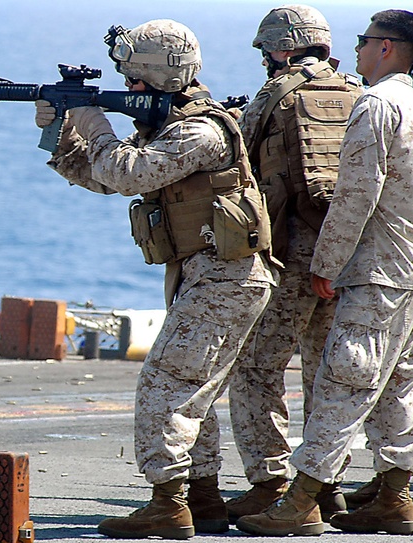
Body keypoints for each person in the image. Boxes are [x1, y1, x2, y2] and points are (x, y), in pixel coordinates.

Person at [35, 19, 276, 539]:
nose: (129, 89)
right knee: (196, 393)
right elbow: (103, 177)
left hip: (224, 279)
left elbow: (127, 173)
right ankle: (203, 497)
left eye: (134, 79)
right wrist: (60, 132)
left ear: (154, 78)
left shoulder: (201, 130)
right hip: (207, 276)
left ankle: (168, 505)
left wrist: (92, 118)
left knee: (164, 387)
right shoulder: (167, 125)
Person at [236, 9, 413, 536]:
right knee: (402, 387)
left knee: (342, 385)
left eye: (363, 41)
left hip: (378, 273)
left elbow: (355, 194)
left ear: (388, 48)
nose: (354, 51)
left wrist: (327, 265)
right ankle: (394, 497)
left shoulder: (377, 104)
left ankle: (301, 500)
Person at [226, 4, 362, 523]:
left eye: (266, 50)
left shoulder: (275, 93)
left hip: (289, 252)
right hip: (342, 250)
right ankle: (325, 484)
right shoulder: (357, 92)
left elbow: (238, 151)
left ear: (281, 48)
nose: (264, 59)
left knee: (257, 366)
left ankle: (270, 482)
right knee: (326, 371)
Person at [343, 28, 413, 512]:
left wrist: (328, 263)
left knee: (383, 374)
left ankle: (323, 490)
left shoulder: (408, 109)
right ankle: (392, 487)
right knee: (410, 373)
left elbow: (361, 195)